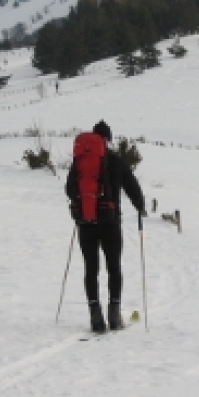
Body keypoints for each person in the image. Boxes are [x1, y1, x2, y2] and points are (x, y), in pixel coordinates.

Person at [66, 121, 143, 334]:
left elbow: (69, 188)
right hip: (110, 222)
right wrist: (140, 205)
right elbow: (131, 185)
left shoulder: (79, 162)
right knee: (114, 267)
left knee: (91, 269)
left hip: (86, 222)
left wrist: (80, 205)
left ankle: (95, 315)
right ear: (107, 139)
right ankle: (114, 314)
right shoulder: (116, 161)